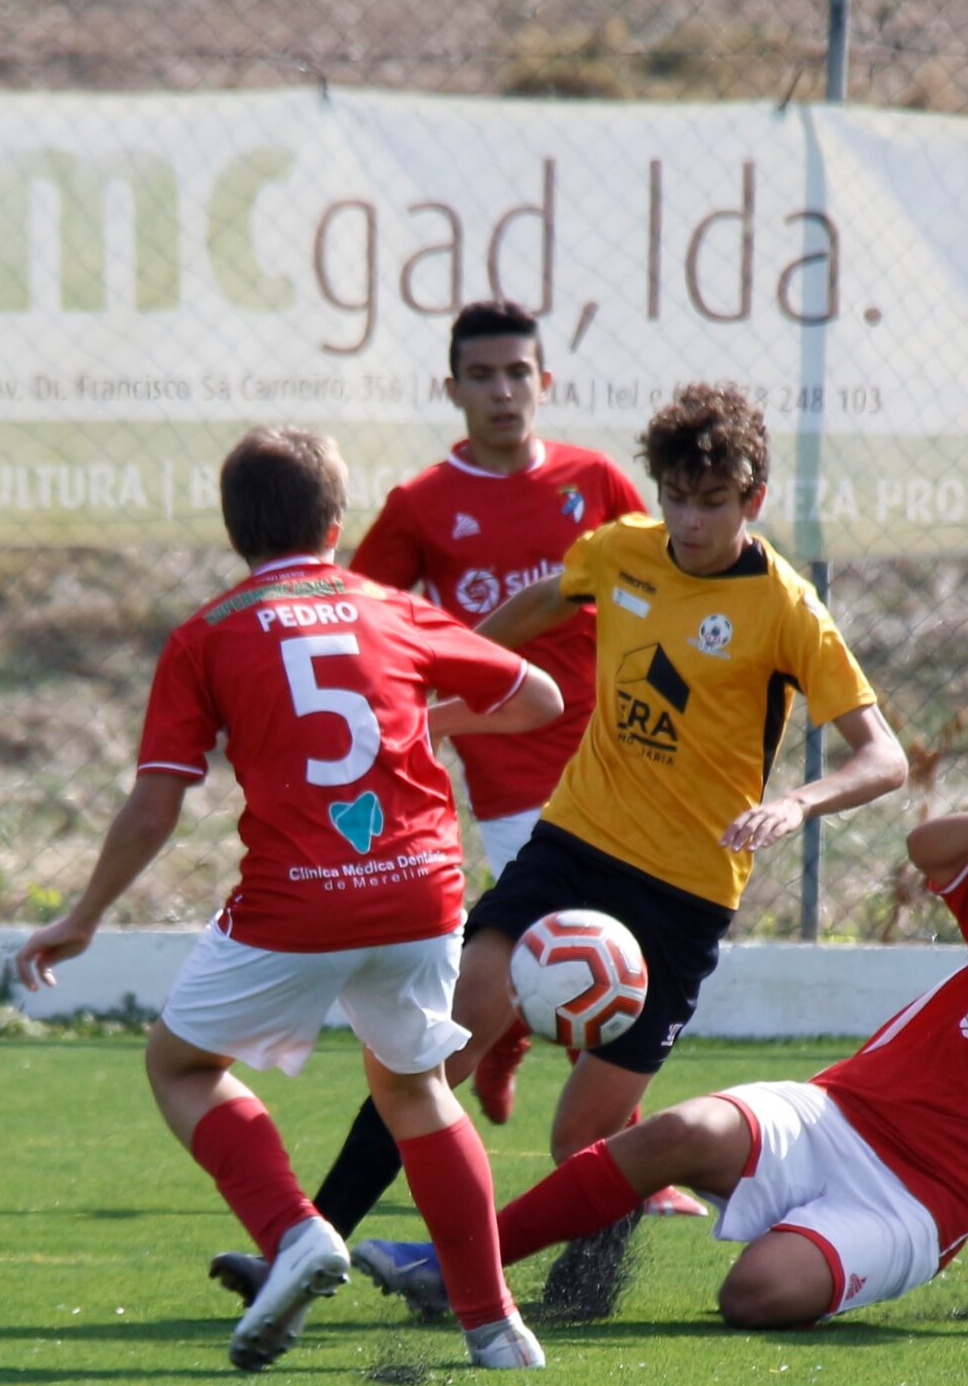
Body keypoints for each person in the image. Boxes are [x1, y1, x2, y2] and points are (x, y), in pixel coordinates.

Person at [317, 381, 906, 1321]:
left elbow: (886, 758)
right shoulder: (621, 549)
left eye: (715, 501)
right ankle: (313, 1239)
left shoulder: (787, 608)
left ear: (752, 499)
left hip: (684, 892)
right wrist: (440, 677)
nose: (693, 518)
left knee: (584, 1133)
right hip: (576, 844)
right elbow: (539, 603)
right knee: (445, 1035)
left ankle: (579, 1294)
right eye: (678, 496)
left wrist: (797, 802)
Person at [10, 425, 564, 1373]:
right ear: (338, 522)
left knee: (181, 1064)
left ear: (234, 532)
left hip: (297, 902)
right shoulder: (393, 611)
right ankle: (495, 1327)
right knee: (415, 1086)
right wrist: (421, 717)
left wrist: (84, 915)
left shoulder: (209, 633)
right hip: (421, 893)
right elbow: (541, 699)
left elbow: (154, 806)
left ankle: (294, 1229)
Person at [356, 809, 968, 1342]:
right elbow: (927, 848)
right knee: (674, 1133)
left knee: (753, 1297)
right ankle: (455, 1269)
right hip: (832, 1113)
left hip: (912, 1210)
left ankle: (787, 1245)